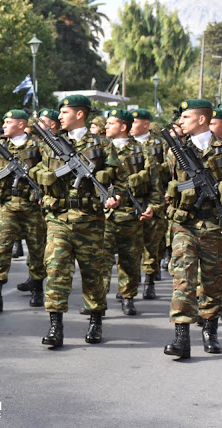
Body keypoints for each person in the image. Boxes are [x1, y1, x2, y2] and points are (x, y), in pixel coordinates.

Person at [36, 95, 126, 348]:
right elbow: (36, 171)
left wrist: (114, 196)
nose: (60, 116)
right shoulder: (51, 143)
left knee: (93, 273)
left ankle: (95, 319)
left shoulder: (102, 145)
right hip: (59, 218)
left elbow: (121, 178)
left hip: (90, 220)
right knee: (55, 270)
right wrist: (51, 177)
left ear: (79, 114)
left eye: (64, 112)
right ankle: (55, 326)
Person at [163, 99, 222, 359]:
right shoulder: (176, 151)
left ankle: (210, 330)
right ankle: (181, 337)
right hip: (185, 224)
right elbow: (169, 183)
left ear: (201, 119)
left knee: (212, 281)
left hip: (214, 225)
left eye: (186, 117)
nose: (181, 121)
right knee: (183, 278)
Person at [102, 109, 161, 316]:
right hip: (104, 216)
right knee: (101, 260)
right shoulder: (99, 150)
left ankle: (128, 297)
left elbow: (155, 187)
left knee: (130, 260)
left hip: (130, 216)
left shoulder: (143, 152)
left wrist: (153, 207)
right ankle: (98, 301)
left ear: (123, 127)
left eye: (111, 123)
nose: (106, 126)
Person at [0, 109, 46, 310]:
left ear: (21, 124)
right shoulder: (0, 146)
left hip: (32, 205)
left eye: (8, 121)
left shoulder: (37, 146)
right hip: (7, 205)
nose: (4, 124)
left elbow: (47, 171)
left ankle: (37, 287)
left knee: (37, 248)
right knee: (1, 248)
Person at [131, 108, 170, 299]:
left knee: (152, 244)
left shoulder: (161, 144)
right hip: (130, 201)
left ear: (145, 124)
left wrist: (152, 172)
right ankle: (130, 283)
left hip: (154, 198)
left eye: (135, 122)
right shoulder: (125, 145)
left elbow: (170, 170)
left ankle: (149, 281)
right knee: (131, 245)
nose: (131, 126)